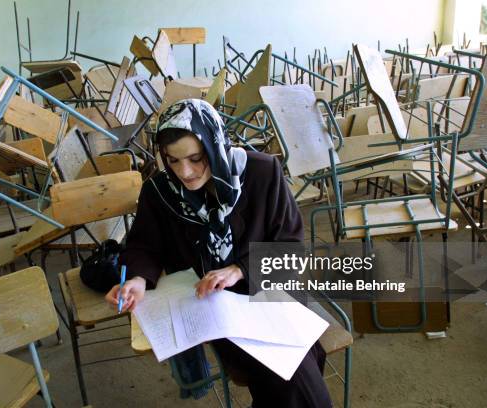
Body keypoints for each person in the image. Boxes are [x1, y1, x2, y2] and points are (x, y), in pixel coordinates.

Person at [105, 99, 332, 407]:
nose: (185, 172)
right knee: (290, 378)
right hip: (211, 306)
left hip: (268, 289)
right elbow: (144, 246)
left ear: (215, 144)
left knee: (294, 372)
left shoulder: (262, 173)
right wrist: (138, 279)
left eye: (196, 158)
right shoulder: (159, 192)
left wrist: (239, 269)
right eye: (172, 161)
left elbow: (290, 247)